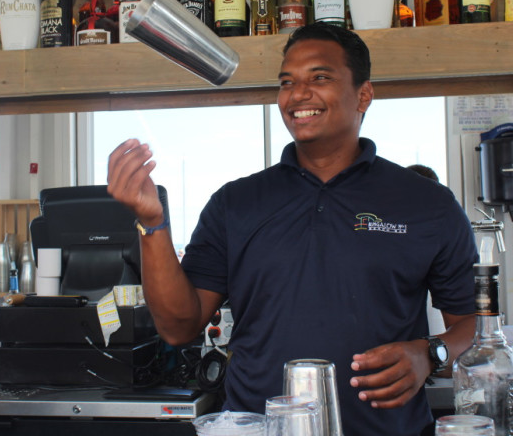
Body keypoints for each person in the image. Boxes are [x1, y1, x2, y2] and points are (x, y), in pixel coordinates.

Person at [107, 23, 477, 435]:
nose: (298, 94)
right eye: (287, 82)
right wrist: (152, 222)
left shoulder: (427, 203)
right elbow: (178, 327)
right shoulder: (235, 203)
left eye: (319, 78)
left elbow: (472, 327)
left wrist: (431, 352)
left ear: (364, 95)